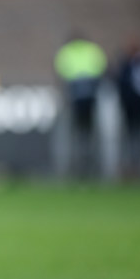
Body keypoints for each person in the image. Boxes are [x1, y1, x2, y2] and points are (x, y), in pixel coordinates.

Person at [54, 33, 107, 177]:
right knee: (88, 133)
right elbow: (101, 67)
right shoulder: (92, 49)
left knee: (76, 133)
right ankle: (87, 165)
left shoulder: (67, 51)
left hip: (75, 97)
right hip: (89, 97)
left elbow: (61, 69)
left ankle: (78, 166)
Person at [115, 39, 140, 176]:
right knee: (129, 136)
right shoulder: (126, 65)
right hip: (127, 107)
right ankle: (129, 166)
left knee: (139, 136)